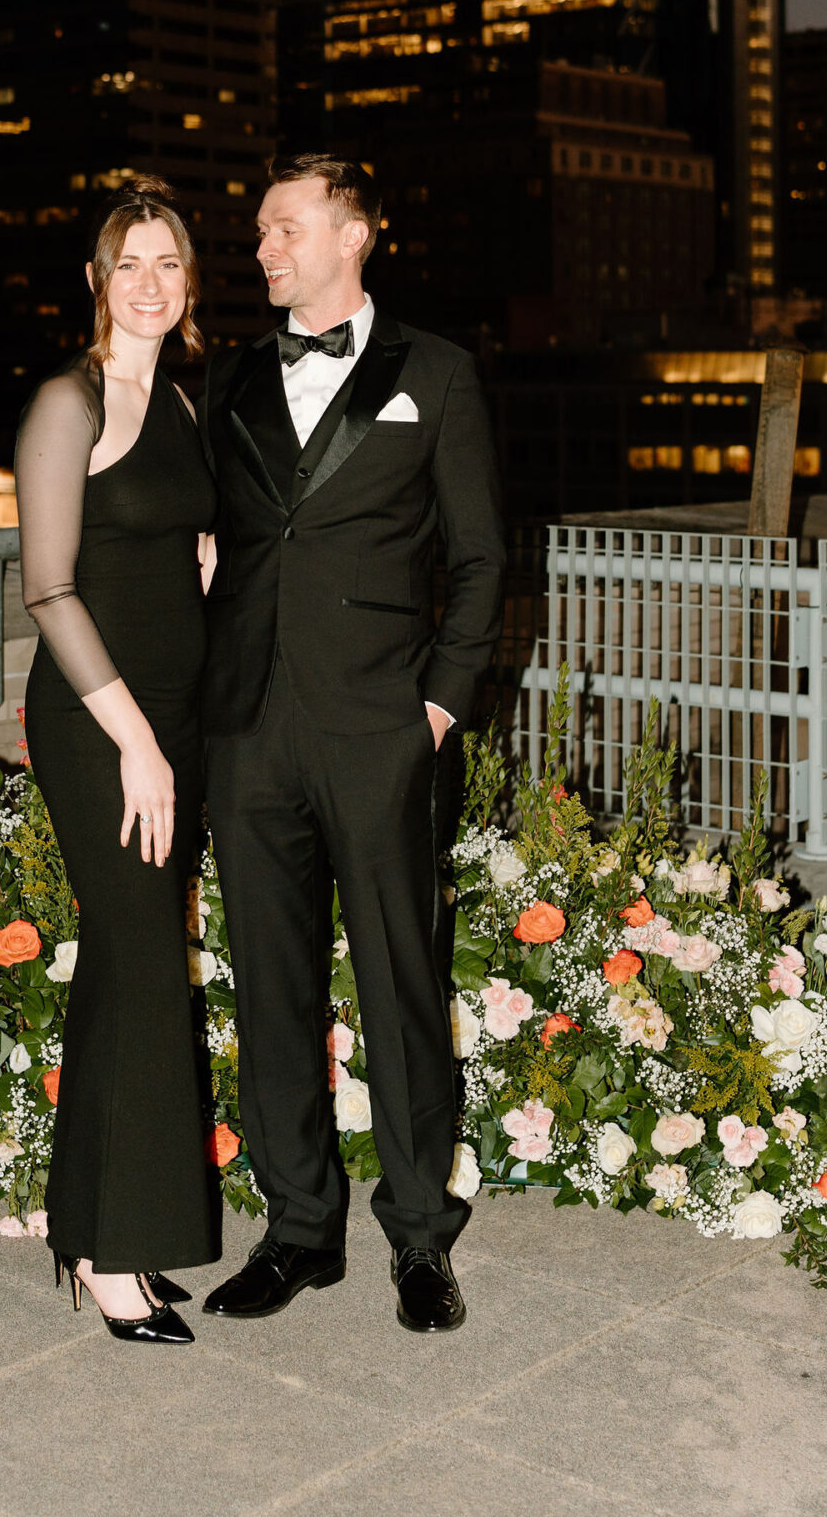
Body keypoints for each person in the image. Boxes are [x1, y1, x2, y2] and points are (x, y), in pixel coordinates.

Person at [198, 153, 504, 1336]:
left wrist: (436, 704)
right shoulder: (228, 376)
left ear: (353, 234)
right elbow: (206, 528)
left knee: (400, 983)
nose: (264, 248)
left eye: (284, 228)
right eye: (262, 230)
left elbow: (479, 559)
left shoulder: (437, 373)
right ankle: (297, 1230)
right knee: (272, 983)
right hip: (248, 729)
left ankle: (421, 1237)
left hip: (383, 727)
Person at [15, 178, 220, 1344]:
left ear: (189, 284)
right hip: (103, 725)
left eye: (170, 263)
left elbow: (177, 535)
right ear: (96, 282)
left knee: (126, 960)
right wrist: (137, 738)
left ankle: (80, 1219)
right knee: (145, 961)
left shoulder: (184, 406)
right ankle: (114, 1258)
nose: (150, 283)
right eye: (129, 263)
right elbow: (50, 587)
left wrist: (196, 562)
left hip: (175, 715)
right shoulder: (67, 402)